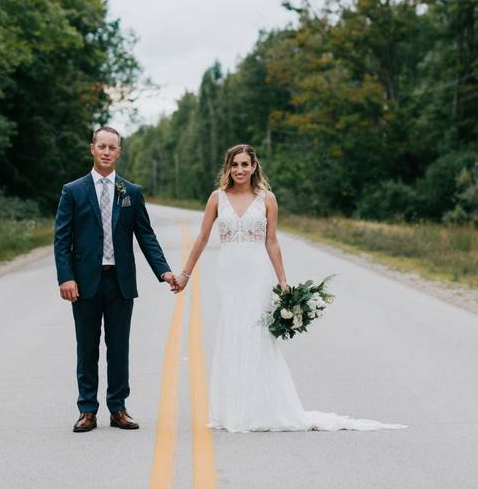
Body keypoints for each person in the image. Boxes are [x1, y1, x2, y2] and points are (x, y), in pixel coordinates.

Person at [174, 143, 408, 433]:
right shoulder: (217, 198)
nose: (240, 170)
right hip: (229, 276)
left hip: (257, 276)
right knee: (231, 334)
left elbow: (272, 241)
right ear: (228, 168)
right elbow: (202, 237)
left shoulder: (267, 199)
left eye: (245, 164)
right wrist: (185, 274)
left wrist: (282, 280)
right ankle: (231, 409)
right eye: (235, 165)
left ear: (254, 166)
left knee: (257, 336)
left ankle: (259, 408)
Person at [53, 126, 178, 433]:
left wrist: (164, 271)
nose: (107, 152)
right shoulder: (73, 190)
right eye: (102, 146)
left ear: (119, 152)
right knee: (87, 347)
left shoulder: (130, 192)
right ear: (92, 149)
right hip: (84, 283)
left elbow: (145, 235)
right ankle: (87, 409)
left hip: (120, 282)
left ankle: (118, 407)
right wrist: (66, 278)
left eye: (113, 147)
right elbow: (61, 239)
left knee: (118, 347)